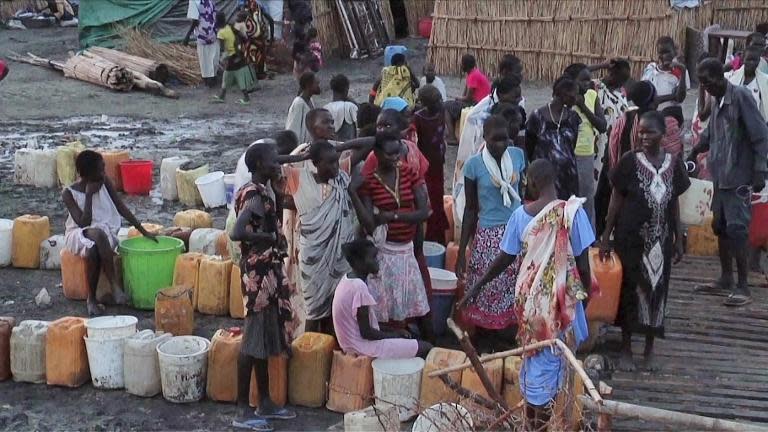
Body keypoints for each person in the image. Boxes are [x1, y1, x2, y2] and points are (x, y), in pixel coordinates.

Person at [459, 159, 592, 429]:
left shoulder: (520, 216)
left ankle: (533, 426)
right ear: (554, 181)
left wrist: (475, 286)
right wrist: (579, 306)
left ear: (530, 183)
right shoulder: (574, 214)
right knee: (551, 373)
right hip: (560, 308)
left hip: (531, 307)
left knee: (536, 366)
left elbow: (504, 258)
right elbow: (585, 269)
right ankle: (537, 427)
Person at [600, 111, 690, 372]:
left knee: (657, 290)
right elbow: (616, 198)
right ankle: (626, 347)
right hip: (630, 238)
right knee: (629, 289)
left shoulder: (673, 163)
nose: (643, 136)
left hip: (660, 239)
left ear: (662, 134)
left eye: (649, 132)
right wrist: (606, 236)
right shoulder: (629, 161)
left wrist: (679, 237)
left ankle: (649, 347)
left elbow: (674, 202)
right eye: (640, 132)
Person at [689, 58, 768, 307]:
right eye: (701, 83)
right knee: (720, 226)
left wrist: (760, 170)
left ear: (719, 77)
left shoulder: (741, 96)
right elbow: (710, 133)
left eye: (708, 81)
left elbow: (760, 135)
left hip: (740, 176)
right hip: (720, 175)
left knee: (738, 229)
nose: (706, 86)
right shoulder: (717, 100)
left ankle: (743, 286)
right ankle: (725, 277)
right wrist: (692, 153)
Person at [230, 143, 298, 431]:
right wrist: (269, 238)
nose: (277, 163)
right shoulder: (255, 196)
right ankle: (242, 409)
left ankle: (266, 401)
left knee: (263, 339)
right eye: (273, 160)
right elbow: (237, 232)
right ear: (259, 165)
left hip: (267, 271)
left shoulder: (266, 189)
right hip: (258, 274)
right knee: (252, 340)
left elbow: (282, 159)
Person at [279, 138, 374, 334]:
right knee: (314, 312)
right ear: (315, 163)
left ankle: (330, 353)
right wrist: (302, 155)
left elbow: (370, 142)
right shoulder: (299, 178)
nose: (334, 166)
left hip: (340, 256)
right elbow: (273, 160)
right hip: (313, 257)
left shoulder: (342, 175)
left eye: (335, 160)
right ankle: (311, 352)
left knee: (338, 308)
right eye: (329, 162)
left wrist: (339, 147)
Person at [349, 131, 432, 329]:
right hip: (384, 252)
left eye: (397, 153)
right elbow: (369, 224)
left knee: (408, 306)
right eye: (390, 154)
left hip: (407, 250)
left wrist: (392, 216)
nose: (395, 158)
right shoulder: (369, 180)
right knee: (383, 311)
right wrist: (353, 192)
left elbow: (424, 212)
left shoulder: (409, 172)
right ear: (376, 154)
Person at [62, 151, 157, 316]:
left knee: (95, 247)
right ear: (88, 173)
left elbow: (121, 207)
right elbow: (83, 222)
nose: (103, 172)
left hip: (105, 230)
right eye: (100, 169)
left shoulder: (105, 182)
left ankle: (94, 298)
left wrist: (143, 230)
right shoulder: (69, 193)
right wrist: (90, 194)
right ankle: (110, 288)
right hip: (77, 234)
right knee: (96, 238)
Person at [456, 115, 526, 337]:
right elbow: (470, 210)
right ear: (484, 137)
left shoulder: (517, 156)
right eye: (495, 140)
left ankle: (507, 340)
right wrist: (461, 251)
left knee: (513, 289)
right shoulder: (473, 165)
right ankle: (485, 341)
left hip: (515, 232)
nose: (501, 145)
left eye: (504, 139)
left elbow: (523, 196)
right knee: (486, 289)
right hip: (488, 237)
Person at [332, 238, 433, 359]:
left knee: (410, 340)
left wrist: (394, 332)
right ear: (359, 263)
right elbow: (366, 333)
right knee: (427, 348)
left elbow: (366, 325)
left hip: (351, 344)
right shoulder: (359, 288)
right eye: (373, 258)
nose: (377, 262)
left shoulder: (347, 280)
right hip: (361, 347)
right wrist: (394, 336)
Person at [594, 80, 659, 235]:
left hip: (619, 175)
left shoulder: (625, 117)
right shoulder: (653, 123)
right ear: (651, 100)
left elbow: (612, 148)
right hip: (639, 181)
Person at [563, 63, 607, 228]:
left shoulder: (591, 96)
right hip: (567, 153)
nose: (588, 83)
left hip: (585, 153)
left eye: (589, 80)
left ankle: (588, 236)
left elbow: (602, 125)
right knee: (568, 197)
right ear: (572, 81)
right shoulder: (565, 98)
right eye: (583, 80)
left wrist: (583, 107)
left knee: (586, 197)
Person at [525, 76, 581, 200]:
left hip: (568, 178)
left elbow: (572, 147)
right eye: (575, 95)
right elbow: (529, 146)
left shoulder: (573, 118)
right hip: (544, 179)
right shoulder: (537, 117)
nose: (577, 99)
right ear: (564, 94)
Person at [413, 85, 450, 244]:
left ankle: (438, 236)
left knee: (437, 200)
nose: (440, 103)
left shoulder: (442, 111)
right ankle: (430, 238)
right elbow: (415, 145)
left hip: (438, 164)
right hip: (426, 167)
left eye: (441, 99)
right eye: (436, 101)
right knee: (429, 200)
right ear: (426, 103)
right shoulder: (418, 118)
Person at [591, 58, 632, 180]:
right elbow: (573, 74)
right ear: (611, 74)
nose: (622, 84)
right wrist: (601, 65)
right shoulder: (594, 87)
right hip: (596, 143)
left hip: (613, 145)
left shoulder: (620, 96)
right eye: (621, 80)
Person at [444, 54, 492, 145]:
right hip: (481, 102)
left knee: (445, 106)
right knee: (452, 105)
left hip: (477, 104)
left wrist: (458, 98)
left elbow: (468, 98)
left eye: (462, 64)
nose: (461, 66)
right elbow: (466, 94)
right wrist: (459, 99)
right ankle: (455, 133)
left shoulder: (473, 76)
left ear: (465, 65)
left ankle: (452, 137)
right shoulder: (474, 73)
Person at [641, 36, 689, 123]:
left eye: (667, 52)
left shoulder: (680, 72)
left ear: (674, 52)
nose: (665, 56)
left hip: (671, 120)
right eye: (661, 53)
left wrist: (659, 99)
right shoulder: (651, 69)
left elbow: (680, 98)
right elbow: (644, 93)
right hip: (651, 119)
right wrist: (671, 97)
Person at [214, 12, 257, 105]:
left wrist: (222, 59)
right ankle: (223, 96)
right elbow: (241, 36)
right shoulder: (230, 26)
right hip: (237, 55)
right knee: (228, 76)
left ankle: (246, 98)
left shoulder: (220, 33)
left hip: (231, 56)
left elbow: (222, 48)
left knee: (230, 77)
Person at [726, 45, 768, 121]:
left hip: (756, 123)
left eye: (754, 60)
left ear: (759, 61)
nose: (752, 63)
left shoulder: (765, 81)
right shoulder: (732, 78)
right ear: (743, 60)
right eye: (749, 60)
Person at [184, 0, 220, 88]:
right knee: (213, 59)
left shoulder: (194, 1)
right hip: (213, 33)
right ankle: (212, 81)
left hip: (203, 35)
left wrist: (187, 36)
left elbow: (195, 20)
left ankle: (209, 82)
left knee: (205, 61)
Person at [240, 0, 274, 80]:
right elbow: (270, 20)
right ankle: (259, 73)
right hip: (257, 38)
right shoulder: (258, 7)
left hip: (251, 39)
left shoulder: (244, 9)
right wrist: (271, 37)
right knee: (258, 54)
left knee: (251, 55)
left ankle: (253, 74)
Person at [285, 72, 320, 145]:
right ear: (308, 85)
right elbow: (293, 128)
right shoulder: (298, 103)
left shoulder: (310, 100)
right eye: (316, 84)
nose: (318, 86)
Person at [324, 74, 358, 141]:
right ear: (346, 89)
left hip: (329, 148)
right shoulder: (350, 106)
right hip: (348, 147)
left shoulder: (324, 109)